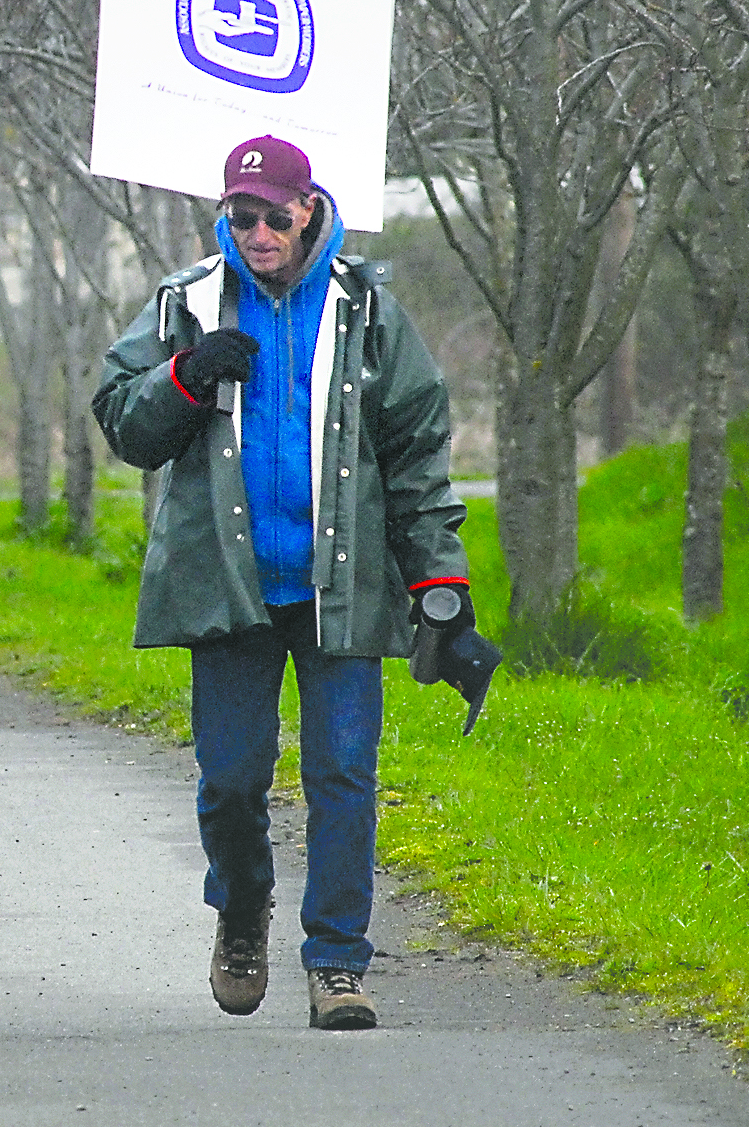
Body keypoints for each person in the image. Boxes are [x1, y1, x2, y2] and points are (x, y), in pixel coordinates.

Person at [90, 135, 471, 1031]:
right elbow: (120, 421)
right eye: (238, 213)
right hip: (229, 587)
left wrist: (438, 583)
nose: (255, 230)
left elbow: (418, 451)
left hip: (343, 589)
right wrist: (182, 377)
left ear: (308, 209)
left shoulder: (366, 306)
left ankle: (337, 961)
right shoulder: (185, 303)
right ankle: (240, 912)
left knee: (343, 774)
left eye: (272, 213)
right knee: (230, 781)